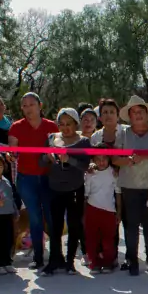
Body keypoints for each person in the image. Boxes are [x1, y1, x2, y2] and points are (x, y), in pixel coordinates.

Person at [112, 95, 148, 276]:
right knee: (131, 226)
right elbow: (114, 158)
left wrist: (143, 156)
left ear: (147, 113)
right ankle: (132, 259)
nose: (137, 115)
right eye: (134, 112)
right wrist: (126, 161)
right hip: (129, 186)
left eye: (140, 111)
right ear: (129, 115)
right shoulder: (123, 133)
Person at [39, 108, 91, 275]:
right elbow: (40, 162)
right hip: (54, 188)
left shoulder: (83, 141)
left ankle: (70, 262)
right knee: (55, 226)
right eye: (61, 124)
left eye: (69, 124)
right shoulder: (51, 138)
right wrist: (47, 157)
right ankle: (55, 259)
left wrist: (70, 159)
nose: (65, 127)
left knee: (74, 225)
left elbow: (85, 166)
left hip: (75, 188)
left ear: (76, 124)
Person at [8, 92, 56, 270]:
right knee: (35, 217)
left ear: (40, 106)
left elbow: (56, 149)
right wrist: (11, 155)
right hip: (26, 178)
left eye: (32, 104)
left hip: (48, 178)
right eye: (25, 105)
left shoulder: (51, 126)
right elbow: (13, 150)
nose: (28, 109)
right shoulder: (16, 127)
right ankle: (38, 257)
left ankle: (56, 254)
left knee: (51, 217)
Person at [90, 98, 123, 268]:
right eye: (105, 113)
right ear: (100, 117)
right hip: (101, 183)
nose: (108, 115)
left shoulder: (125, 133)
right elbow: (91, 158)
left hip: (122, 181)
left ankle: (113, 255)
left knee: (115, 219)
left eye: (112, 112)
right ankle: (99, 255)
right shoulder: (96, 136)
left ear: (118, 115)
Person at [84, 154, 119, 274]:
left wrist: (119, 211)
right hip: (92, 208)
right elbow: (86, 193)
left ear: (109, 159)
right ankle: (94, 263)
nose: (101, 162)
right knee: (92, 238)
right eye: (98, 159)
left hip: (109, 210)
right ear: (93, 160)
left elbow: (118, 192)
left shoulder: (113, 173)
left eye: (104, 158)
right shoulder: (90, 173)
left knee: (108, 239)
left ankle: (108, 263)